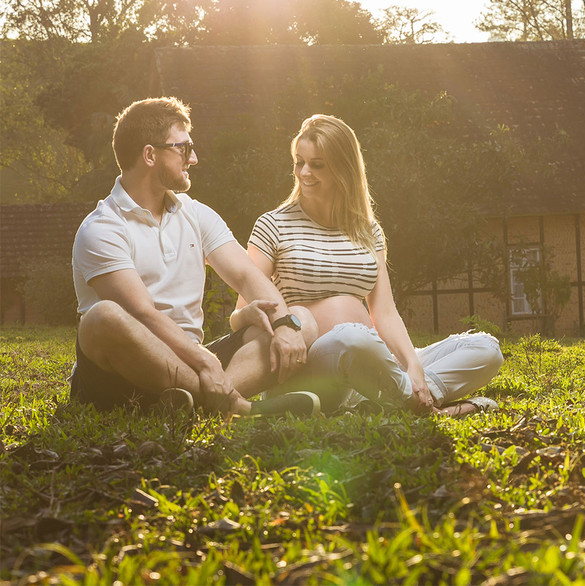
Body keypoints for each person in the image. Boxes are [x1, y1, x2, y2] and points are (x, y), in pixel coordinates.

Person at [238, 114, 504, 416]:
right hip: (311, 368)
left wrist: (413, 365)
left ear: (343, 168)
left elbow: (384, 312)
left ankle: (388, 397)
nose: (304, 172)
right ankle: (427, 407)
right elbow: (245, 314)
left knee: (486, 348)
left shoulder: (368, 231)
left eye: (317, 164)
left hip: (373, 358)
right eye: (299, 162)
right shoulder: (273, 225)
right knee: (353, 337)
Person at [71, 97, 320, 416]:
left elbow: (246, 275)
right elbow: (142, 314)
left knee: (303, 321)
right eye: (184, 148)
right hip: (119, 375)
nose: (195, 158)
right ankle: (236, 407)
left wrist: (284, 324)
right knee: (103, 316)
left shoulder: (196, 214)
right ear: (150, 154)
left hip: (189, 364)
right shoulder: (102, 228)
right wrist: (206, 361)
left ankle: (196, 401)